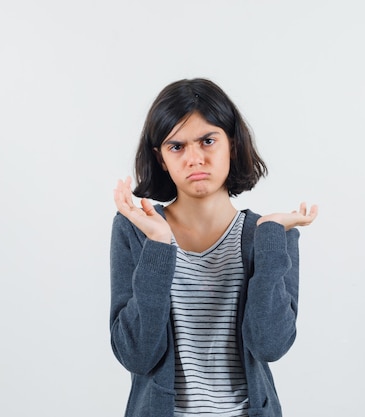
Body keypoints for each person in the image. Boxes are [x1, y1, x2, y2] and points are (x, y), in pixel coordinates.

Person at [109, 78, 318, 417]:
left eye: (208, 141)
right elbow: (136, 354)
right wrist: (159, 245)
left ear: (232, 144)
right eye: (176, 146)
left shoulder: (271, 235)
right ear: (160, 158)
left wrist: (268, 235)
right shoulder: (137, 231)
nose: (194, 158)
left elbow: (270, 344)